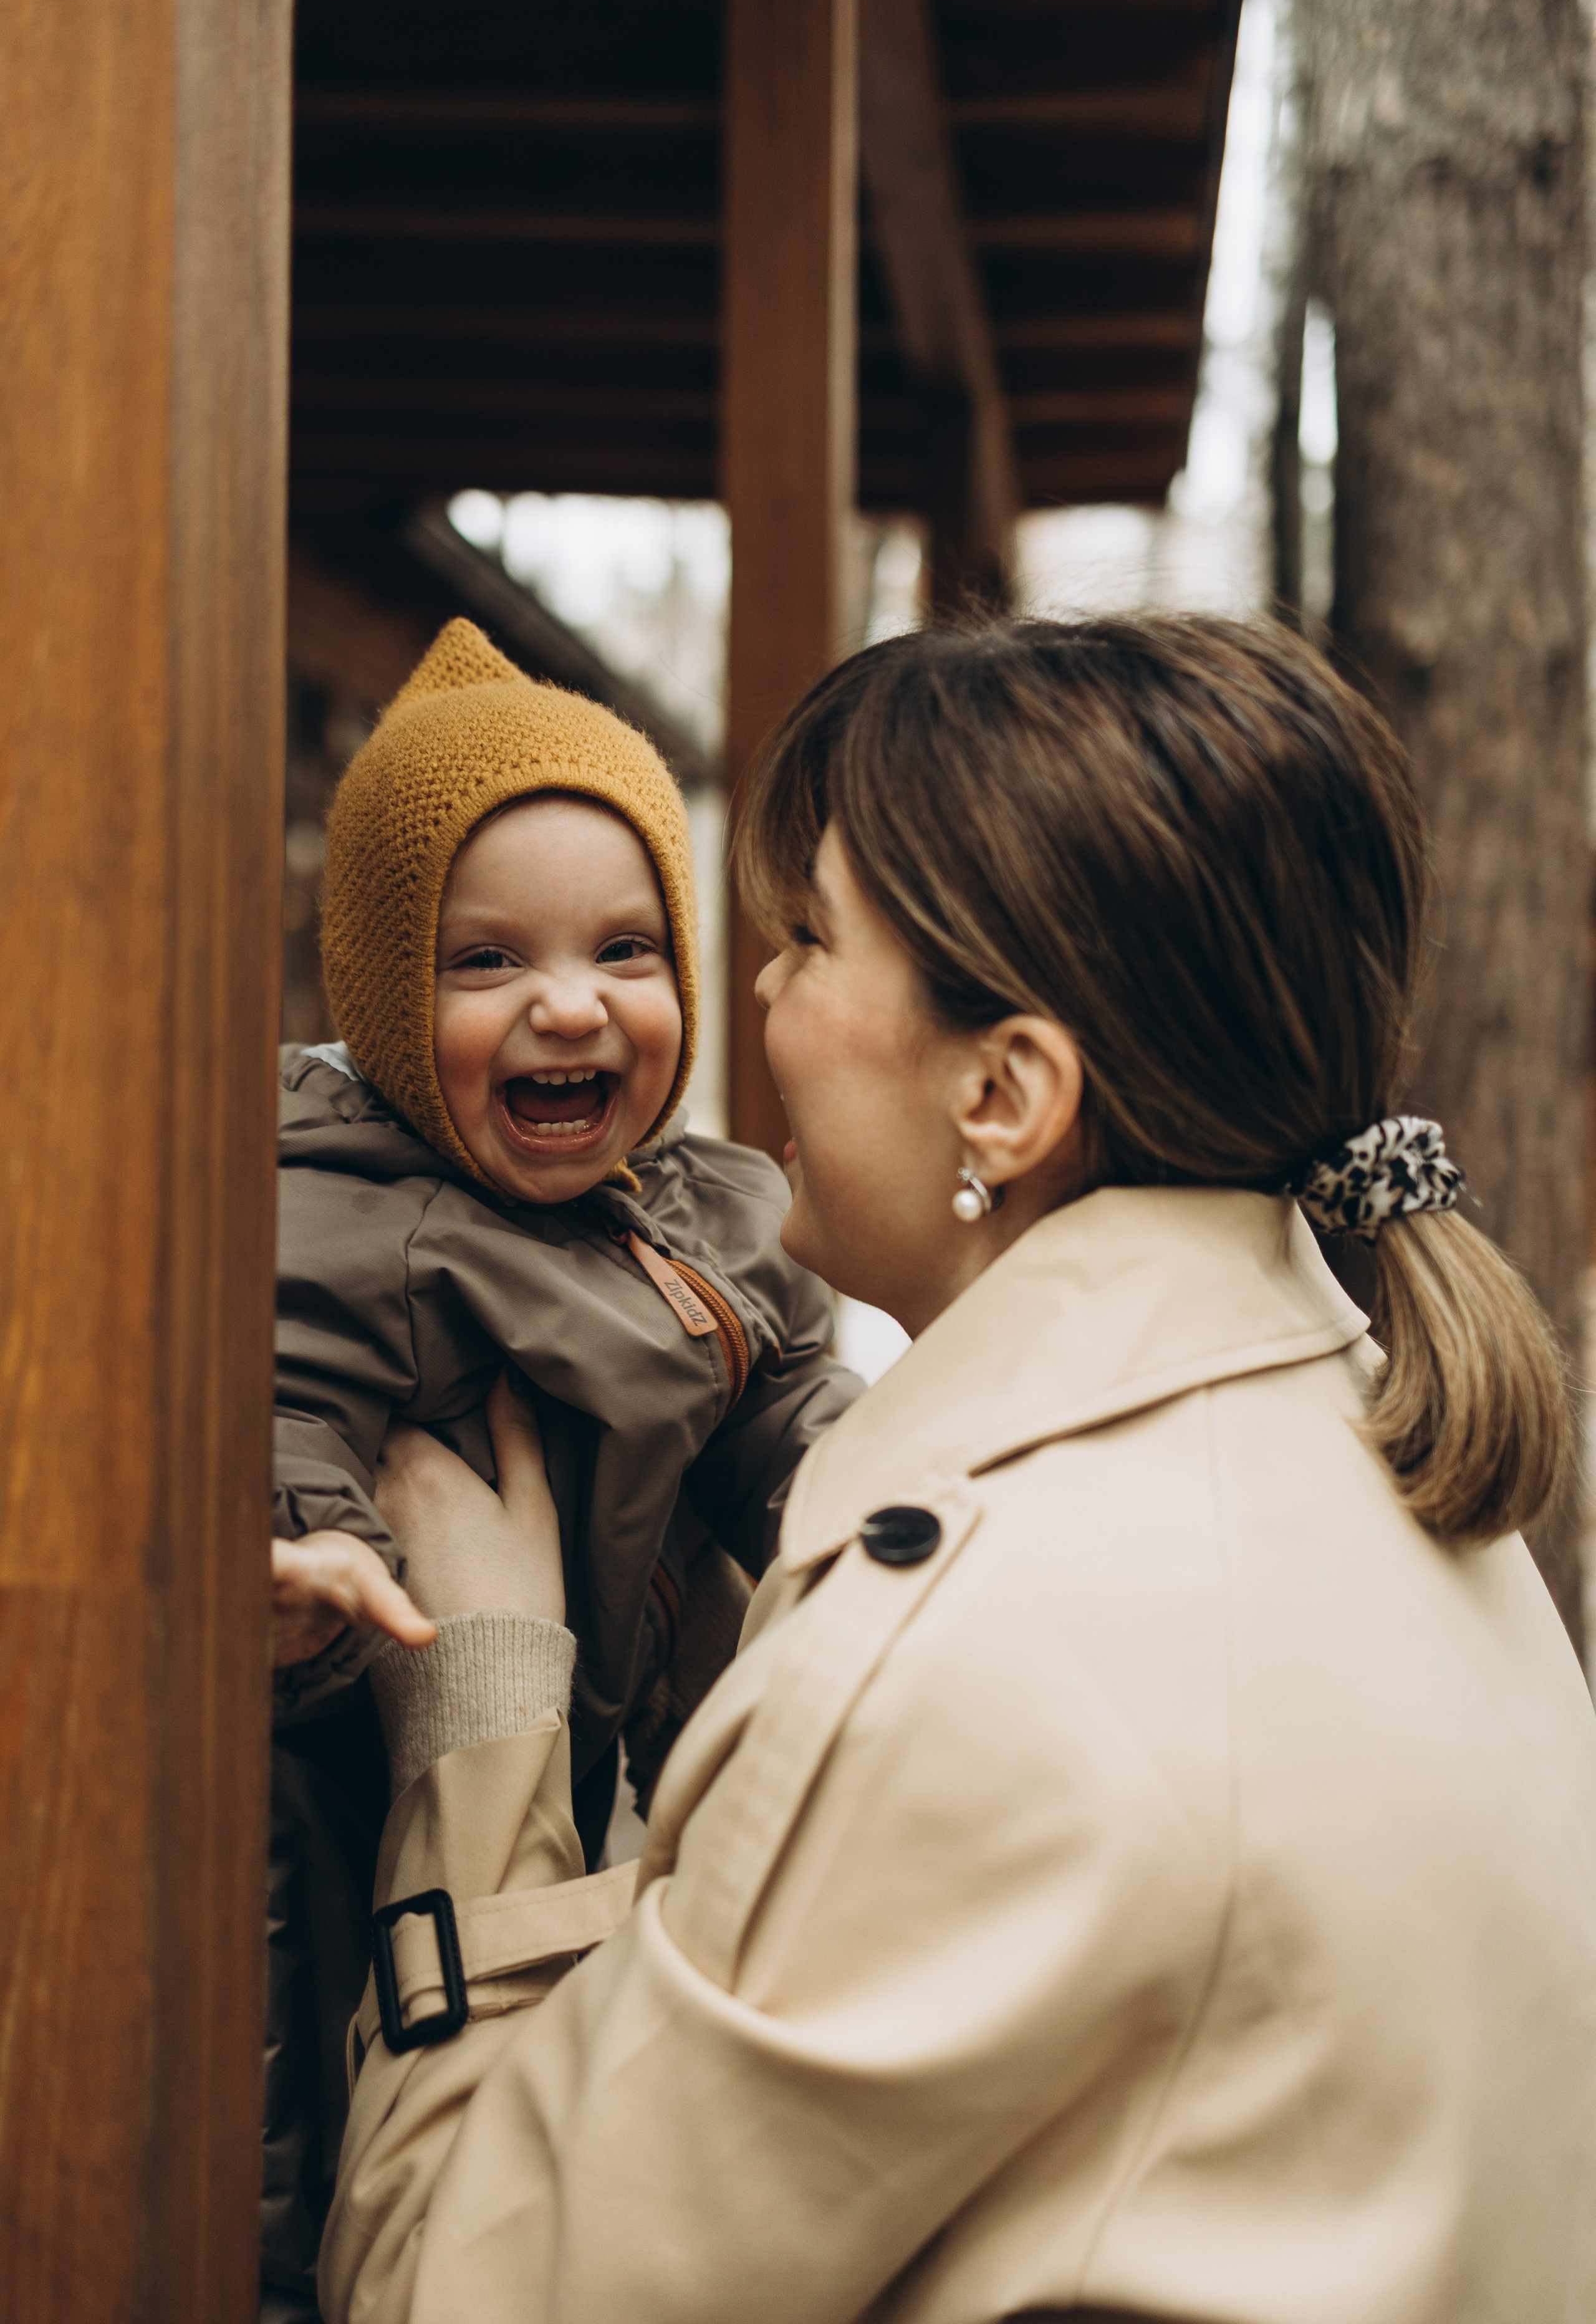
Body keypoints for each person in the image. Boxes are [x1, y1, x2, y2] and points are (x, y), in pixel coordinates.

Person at [321, 617, 1596, 2324]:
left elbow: (466, 2302)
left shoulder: (961, 1660)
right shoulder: (1384, 1446)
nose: (755, 995)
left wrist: (482, 1709)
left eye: (810, 938)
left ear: (1006, 1094)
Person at [262, 617, 860, 2318]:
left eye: (626, 950)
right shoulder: (346, 1216)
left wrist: (879, 1504)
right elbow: (279, 1399)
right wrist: (304, 1544)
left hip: (601, 1774)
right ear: (382, 995)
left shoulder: (708, 1211)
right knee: (312, 2105)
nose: (572, 1006)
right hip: (359, 1758)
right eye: (485, 964)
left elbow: (790, 1401)